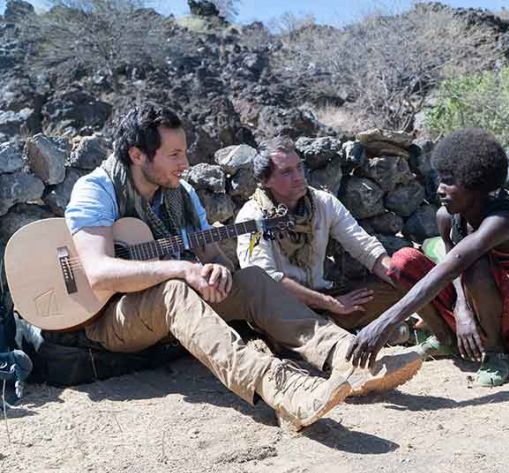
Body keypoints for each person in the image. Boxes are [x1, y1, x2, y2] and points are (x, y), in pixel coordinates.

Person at [64, 103, 421, 432]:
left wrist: (217, 269)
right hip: (111, 317)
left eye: (184, 151)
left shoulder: (181, 193)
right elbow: (97, 273)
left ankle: (349, 356)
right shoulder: (98, 189)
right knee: (173, 289)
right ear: (137, 154)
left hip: (174, 303)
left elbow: (212, 255)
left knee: (251, 279)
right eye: (174, 154)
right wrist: (181, 269)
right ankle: (279, 385)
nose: (184, 162)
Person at [346, 128, 509, 387]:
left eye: (449, 181)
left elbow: (458, 265)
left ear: (476, 183)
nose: (439, 189)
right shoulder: (447, 218)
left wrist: (384, 322)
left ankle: (496, 353)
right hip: (474, 305)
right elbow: (454, 270)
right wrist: (461, 310)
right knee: (402, 261)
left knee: (476, 265)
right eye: (440, 179)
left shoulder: (501, 221)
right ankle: (444, 340)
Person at [235, 137, 443, 336]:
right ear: (265, 180)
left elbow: (366, 249)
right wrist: (329, 303)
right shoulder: (251, 217)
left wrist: (418, 297)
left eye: (299, 167)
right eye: (286, 172)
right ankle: (334, 335)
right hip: (284, 308)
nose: (298, 176)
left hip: (326, 299)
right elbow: (266, 281)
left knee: (392, 290)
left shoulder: (322, 203)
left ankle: (330, 331)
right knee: (275, 320)